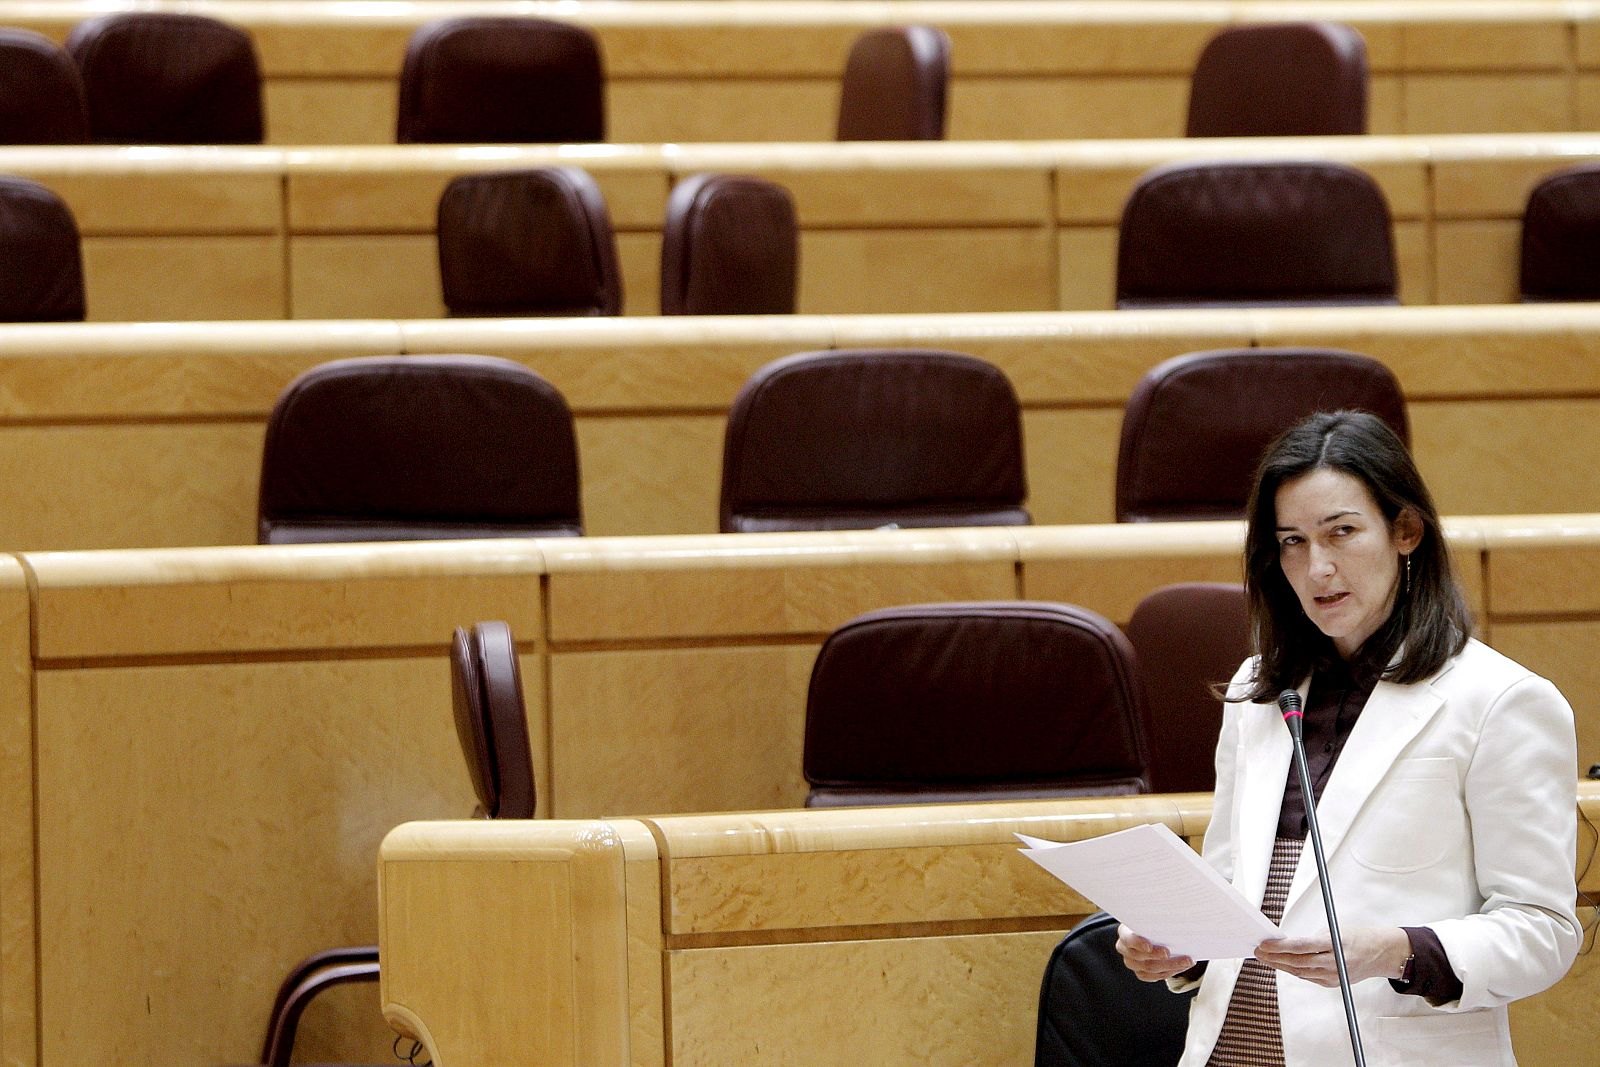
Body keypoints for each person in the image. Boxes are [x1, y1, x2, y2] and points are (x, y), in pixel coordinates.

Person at [1115, 410, 1581, 1066]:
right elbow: (1230, 883)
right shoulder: (1259, 688)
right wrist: (1179, 944)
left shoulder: (1501, 700)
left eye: (1342, 532)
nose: (1318, 568)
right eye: (1293, 541)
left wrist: (1396, 949)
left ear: (1406, 531)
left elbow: (1544, 930)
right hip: (1230, 1046)